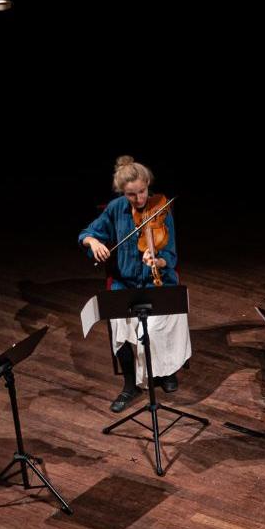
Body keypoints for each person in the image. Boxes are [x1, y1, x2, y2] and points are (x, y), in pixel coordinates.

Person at [80, 156, 192, 412]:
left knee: (157, 328)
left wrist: (158, 261)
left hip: (159, 282)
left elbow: (171, 255)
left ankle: (165, 372)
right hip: (125, 283)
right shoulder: (116, 208)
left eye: (142, 192)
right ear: (123, 193)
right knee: (121, 329)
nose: (139, 199)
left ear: (148, 185)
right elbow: (87, 233)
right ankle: (129, 384)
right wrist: (94, 242)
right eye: (132, 195)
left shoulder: (160, 209)